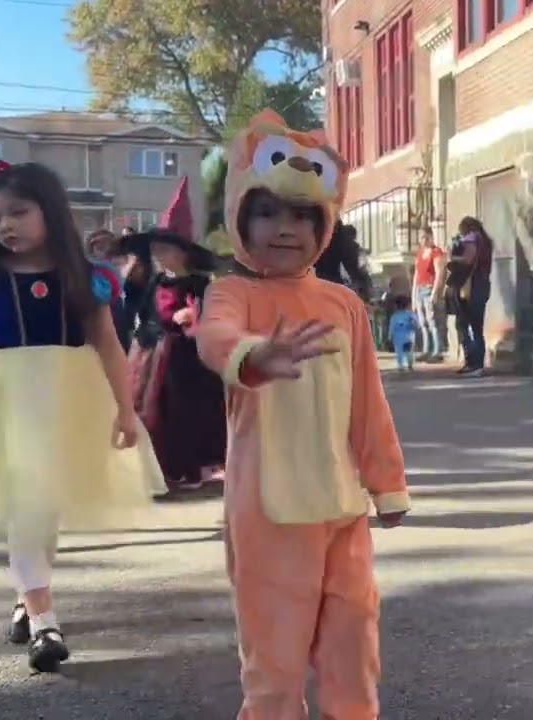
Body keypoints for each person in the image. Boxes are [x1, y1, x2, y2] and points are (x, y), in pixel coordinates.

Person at [195, 109, 409, 719]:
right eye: (266, 212)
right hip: (269, 514)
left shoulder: (344, 305)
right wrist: (254, 353)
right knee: (276, 660)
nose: (284, 228)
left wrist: (387, 485)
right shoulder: (233, 294)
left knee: (353, 646)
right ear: (239, 216)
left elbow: (368, 404)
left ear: (324, 223)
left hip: (342, 509)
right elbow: (214, 338)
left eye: (300, 214)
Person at [0, 161, 163, 673]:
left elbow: (108, 344)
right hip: (0, 401)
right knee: (23, 511)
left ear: (50, 212)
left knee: (44, 512)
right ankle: (44, 623)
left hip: (65, 400)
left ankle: (25, 595)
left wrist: (126, 410)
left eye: (18, 211)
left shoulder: (87, 278)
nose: (6, 225)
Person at [123, 228, 227, 493]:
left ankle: (190, 467)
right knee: (155, 410)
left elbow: (213, 315)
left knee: (186, 410)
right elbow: (144, 314)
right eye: (156, 250)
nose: (159, 256)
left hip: (188, 357)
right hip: (153, 354)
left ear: (183, 253)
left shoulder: (200, 283)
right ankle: (164, 468)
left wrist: (193, 315)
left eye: (165, 250)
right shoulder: (155, 281)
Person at [446, 216, 494, 377]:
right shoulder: (485, 241)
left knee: (465, 325)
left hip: (471, 287)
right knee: (475, 327)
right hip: (481, 286)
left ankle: (473, 364)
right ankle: (475, 364)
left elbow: (468, 260)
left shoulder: (471, 239)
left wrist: (452, 257)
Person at [411, 225, 446, 362]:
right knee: (422, 322)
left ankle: (437, 350)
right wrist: (414, 295)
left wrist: (435, 293)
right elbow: (416, 274)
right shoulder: (420, 253)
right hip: (419, 289)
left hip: (429, 288)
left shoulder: (436, 252)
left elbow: (439, 274)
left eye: (425, 237)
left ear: (431, 237)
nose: (423, 240)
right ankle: (426, 349)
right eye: (421, 238)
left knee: (432, 321)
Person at [315, 220, 373, 302]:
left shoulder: (330, 241)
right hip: (332, 277)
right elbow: (352, 268)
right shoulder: (346, 244)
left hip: (327, 277)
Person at [388, 293, 417, 371]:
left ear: (396, 306)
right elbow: (415, 324)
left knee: (399, 352)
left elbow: (392, 327)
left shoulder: (394, 316)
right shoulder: (411, 314)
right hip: (409, 336)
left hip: (398, 338)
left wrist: (390, 336)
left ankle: (401, 365)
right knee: (409, 351)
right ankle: (410, 363)